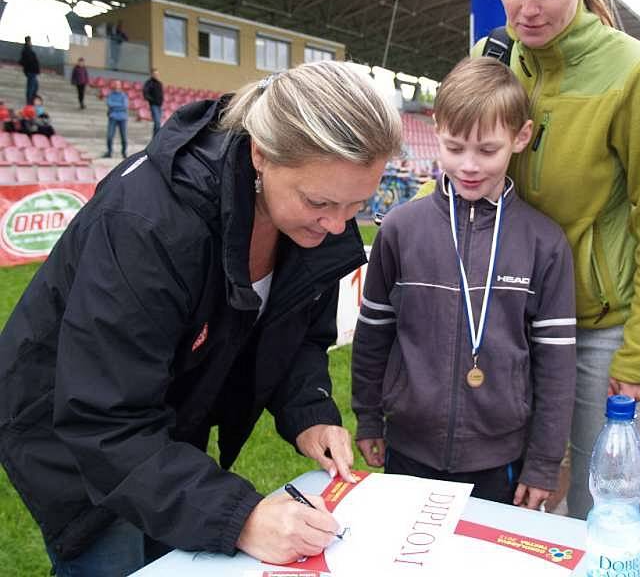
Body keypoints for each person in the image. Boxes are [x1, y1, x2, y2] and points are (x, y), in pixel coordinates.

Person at [0, 60, 402, 576]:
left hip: (162, 423)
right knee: (114, 559)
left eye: (358, 205)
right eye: (319, 202)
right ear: (261, 154)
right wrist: (240, 518)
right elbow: (104, 416)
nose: (337, 224)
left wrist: (309, 409)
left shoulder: (320, 215)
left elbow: (295, 332)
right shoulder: (146, 224)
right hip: (78, 440)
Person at [463, 0, 640, 519]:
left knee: (598, 501)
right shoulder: (491, 56)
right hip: (505, 320)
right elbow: (465, 167)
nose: (529, 8)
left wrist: (639, 357)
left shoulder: (637, 73)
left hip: (595, 331)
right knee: (496, 490)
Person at [352, 57, 576, 509]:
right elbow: (373, 334)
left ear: (521, 137)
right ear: (436, 130)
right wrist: (369, 418)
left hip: (500, 458)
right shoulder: (399, 229)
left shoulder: (544, 243)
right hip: (409, 449)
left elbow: (556, 365)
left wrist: (543, 462)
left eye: (488, 150)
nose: (469, 165)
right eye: (454, 148)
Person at [103, 79, 128, 158]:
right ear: (114, 86)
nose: (117, 86)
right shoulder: (111, 95)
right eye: (116, 84)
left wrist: (114, 106)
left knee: (123, 137)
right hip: (113, 117)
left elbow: (125, 106)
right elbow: (109, 103)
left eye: (118, 84)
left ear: (120, 86)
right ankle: (109, 152)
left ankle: (124, 152)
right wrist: (119, 106)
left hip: (122, 118)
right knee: (109, 136)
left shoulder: (124, 95)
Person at [143, 67, 164, 136]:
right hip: (154, 105)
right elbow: (145, 93)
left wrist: (161, 102)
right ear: (151, 74)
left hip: (159, 106)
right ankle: (156, 137)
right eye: (155, 74)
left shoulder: (159, 83)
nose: (156, 75)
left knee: (158, 123)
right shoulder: (149, 83)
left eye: (157, 74)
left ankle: (155, 137)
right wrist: (152, 101)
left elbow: (161, 94)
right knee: (157, 122)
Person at [19, 35, 40, 104]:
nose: (31, 43)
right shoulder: (27, 50)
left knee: (35, 86)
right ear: (28, 41)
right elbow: (28, 61)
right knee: (31, 87)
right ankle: (29, 102)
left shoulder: (28, 49)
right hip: (31, 71)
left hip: (32, 71)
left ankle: (31, 100)